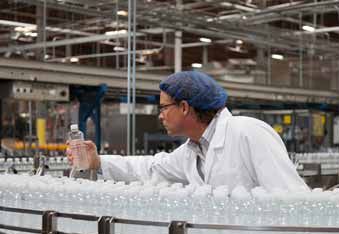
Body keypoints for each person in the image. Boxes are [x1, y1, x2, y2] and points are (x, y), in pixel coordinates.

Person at [67, 71, 308, 192]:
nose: (160, 115)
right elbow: (150, 169)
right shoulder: (192, 150)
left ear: (184, 107)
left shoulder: (248, 132)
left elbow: (291, 200)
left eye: (163, 108)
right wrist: (98, 162)